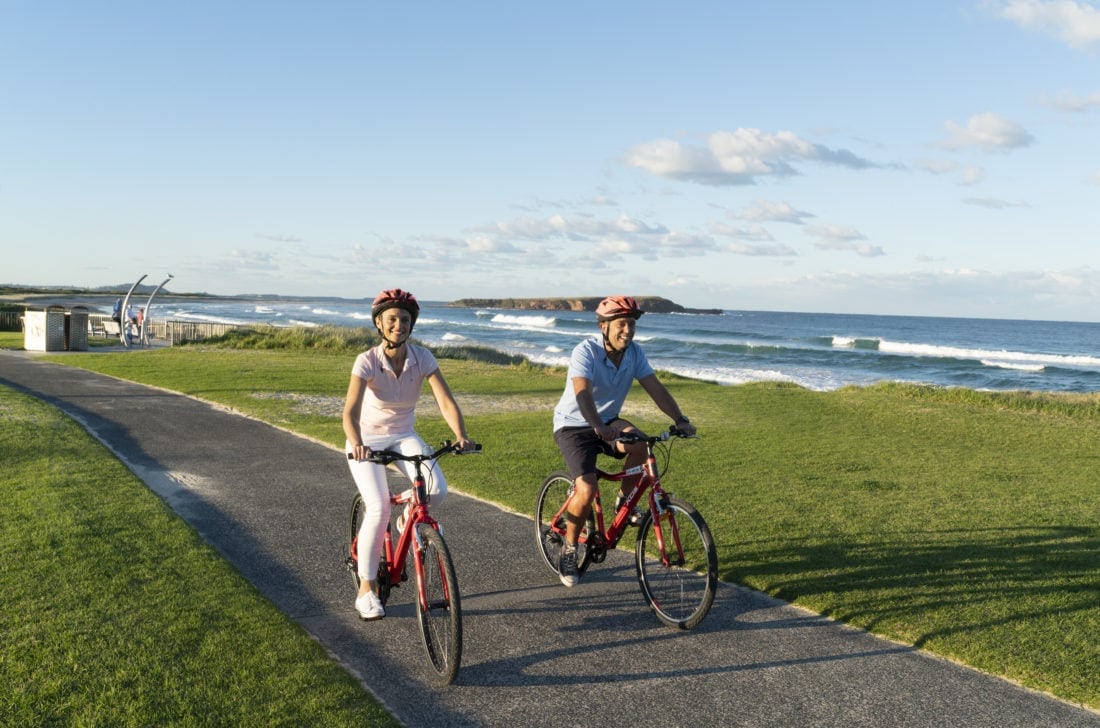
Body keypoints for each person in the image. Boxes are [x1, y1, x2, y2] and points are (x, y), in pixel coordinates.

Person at [343, 288, 477, 620]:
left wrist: (461, 435)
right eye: (391, 319)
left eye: (404, 319)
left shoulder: (423, 358)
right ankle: (366, 589)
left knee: (436, 489)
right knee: (377, 507)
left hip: (403, 435)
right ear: (379, 323)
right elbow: (349, 411)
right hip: (367, 439)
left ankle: (410, 520)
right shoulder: (367, 361)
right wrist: (357, 441)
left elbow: (445, 401)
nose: (398, 325)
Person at [551, 295, 697, 587]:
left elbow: (655, 388)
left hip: (609, 422)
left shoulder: (635, 353)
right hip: (574, 424)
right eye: (621, 324)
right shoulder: (586, 351)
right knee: (588, 486)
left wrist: (680, 419)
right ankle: (569, 549)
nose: (627, 330)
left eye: (631, 324)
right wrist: (596, 425)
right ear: (604, 326)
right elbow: (582, 393)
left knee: (642, 444)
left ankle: (623, 503)